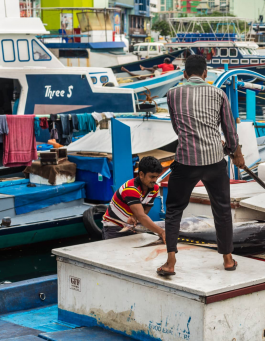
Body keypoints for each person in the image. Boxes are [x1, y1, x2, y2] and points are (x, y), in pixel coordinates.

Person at [157, 54, 245, 276]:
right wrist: (232, 150)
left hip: (185, 160)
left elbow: (177, 127)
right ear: (205, 73)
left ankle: (170, 262)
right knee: (222, 209)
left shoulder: (173, 94)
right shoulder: (218, 93)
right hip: (215, 160)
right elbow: (229, 130)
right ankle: (227, 259)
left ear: (185, 74)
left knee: (174, 210)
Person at [102, 156, 166, 241]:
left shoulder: (154, 188)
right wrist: (162, 232)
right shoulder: (131, 189)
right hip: (114, 228)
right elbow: (142, 216)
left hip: (133, 227)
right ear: (141, 174)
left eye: (156, 177)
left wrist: (135, 216)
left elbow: (145, 211)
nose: (154, 180)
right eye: (151, 177)